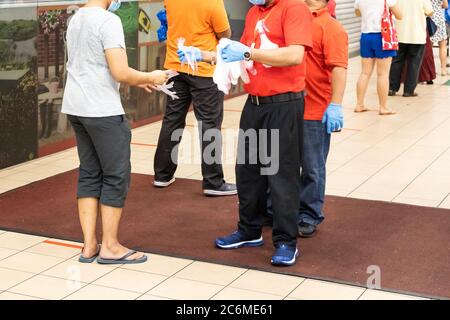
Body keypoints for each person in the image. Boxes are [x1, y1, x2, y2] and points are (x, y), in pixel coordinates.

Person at [184, 0, 313, 266]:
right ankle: (249, 229)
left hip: (284, 104)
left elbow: (294, 55)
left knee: (281, 174)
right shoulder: (255, 12)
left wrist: (247, 55)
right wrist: (202, 55)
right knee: (248, 171)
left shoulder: (294, 8)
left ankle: (286, 241)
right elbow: (239, 51)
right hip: (255, 104)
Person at [62, 0, 169, 265]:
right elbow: (120, 72)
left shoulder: (76, 18)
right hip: (102, 110)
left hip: (77, 107)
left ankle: (89, 246)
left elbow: (93, 65)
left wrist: (141, 79)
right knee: (115, 175)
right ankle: (110, 246)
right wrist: (151, 76)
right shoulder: (109, 21)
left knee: (89, 172)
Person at [153, 0, 237, 197]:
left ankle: (162, 175)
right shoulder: (212, 2)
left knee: (172, 120)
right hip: (204, 70)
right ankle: (213, 182)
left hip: (175, 66)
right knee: (209, 124)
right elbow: (225, 35)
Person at [296, 0, 348, 237]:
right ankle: (277, 208)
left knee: (312, 167)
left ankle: (309, 214)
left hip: (315, 110)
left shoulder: (331, 27)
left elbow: (339, 67)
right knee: (280, 165)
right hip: (286, 107)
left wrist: (335, 104)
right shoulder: (294, 19)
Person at [354, 0, 402, 115]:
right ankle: (383, 107)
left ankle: (359, 104)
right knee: (383, 74)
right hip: (382, 36)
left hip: (365, 36)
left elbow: (357, 13)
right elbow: (400, 15)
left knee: (365, 73)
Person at [389, 0, 434, 97]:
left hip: (400, 33)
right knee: (414, 63)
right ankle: (408, 91)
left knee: (396, 61)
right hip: (416, 35)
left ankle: (392, 88)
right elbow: (430, 12)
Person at [430, 0, 449, 75]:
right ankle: (443, 69)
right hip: (439, 19)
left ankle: (430, 70)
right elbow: (446, 5)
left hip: (429, 19)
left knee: (429, 46)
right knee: (442, 45)